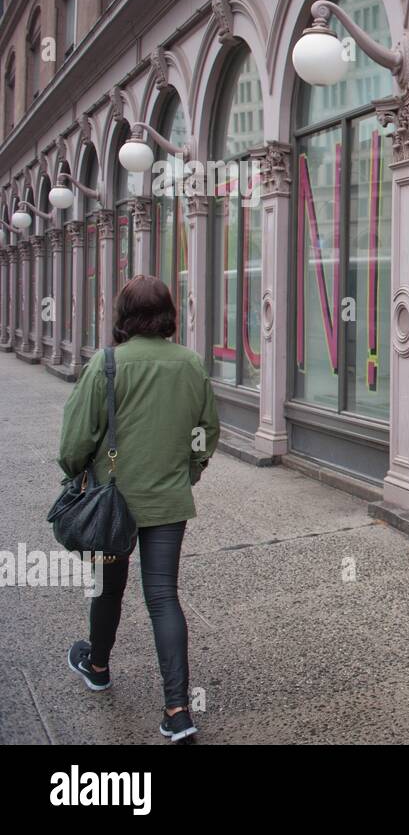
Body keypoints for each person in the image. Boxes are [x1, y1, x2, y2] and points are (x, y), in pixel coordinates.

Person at [58, 275, 220, 742]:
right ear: (169, 312)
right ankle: (177, 711)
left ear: (124, 315)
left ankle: (99, 665)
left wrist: (75, 472)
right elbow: (207, 430)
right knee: (163, 597)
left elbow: (75, 439)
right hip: (167, 501)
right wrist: (190, 470)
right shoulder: (190, 363)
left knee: (108, 588)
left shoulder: (107, 363)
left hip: (113, 504)